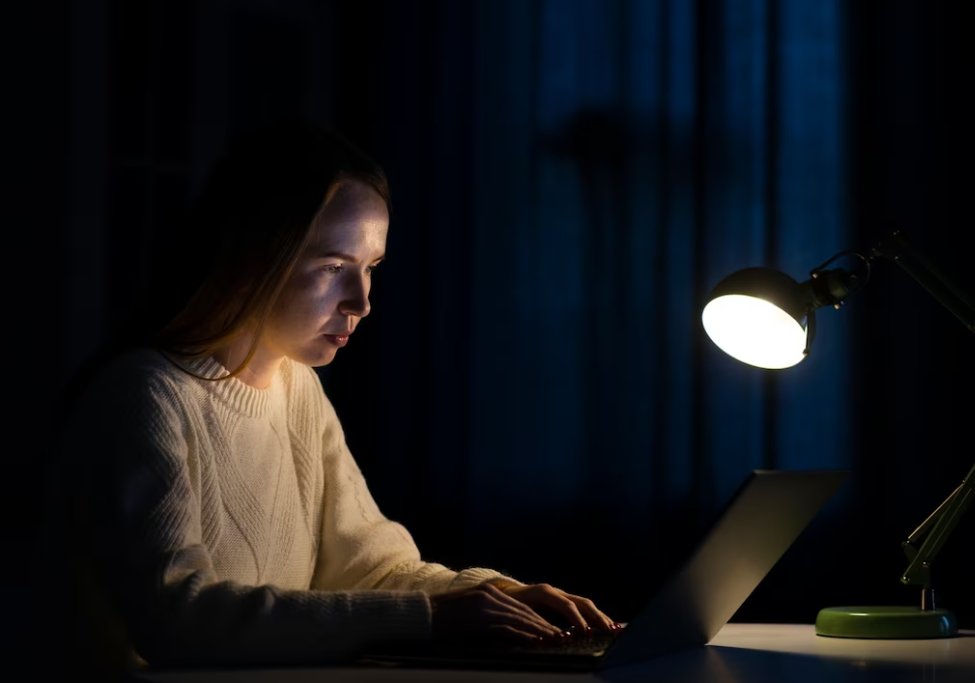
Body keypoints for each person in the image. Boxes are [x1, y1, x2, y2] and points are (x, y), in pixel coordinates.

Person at [40, 123, 616, 676]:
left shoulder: (298, 388)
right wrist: (433, 618)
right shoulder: (145, 396)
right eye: (334, 266)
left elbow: (371, 569)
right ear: (251, 256)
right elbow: (176, 617)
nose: (361, 301)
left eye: (370, 268)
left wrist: (496, 594)